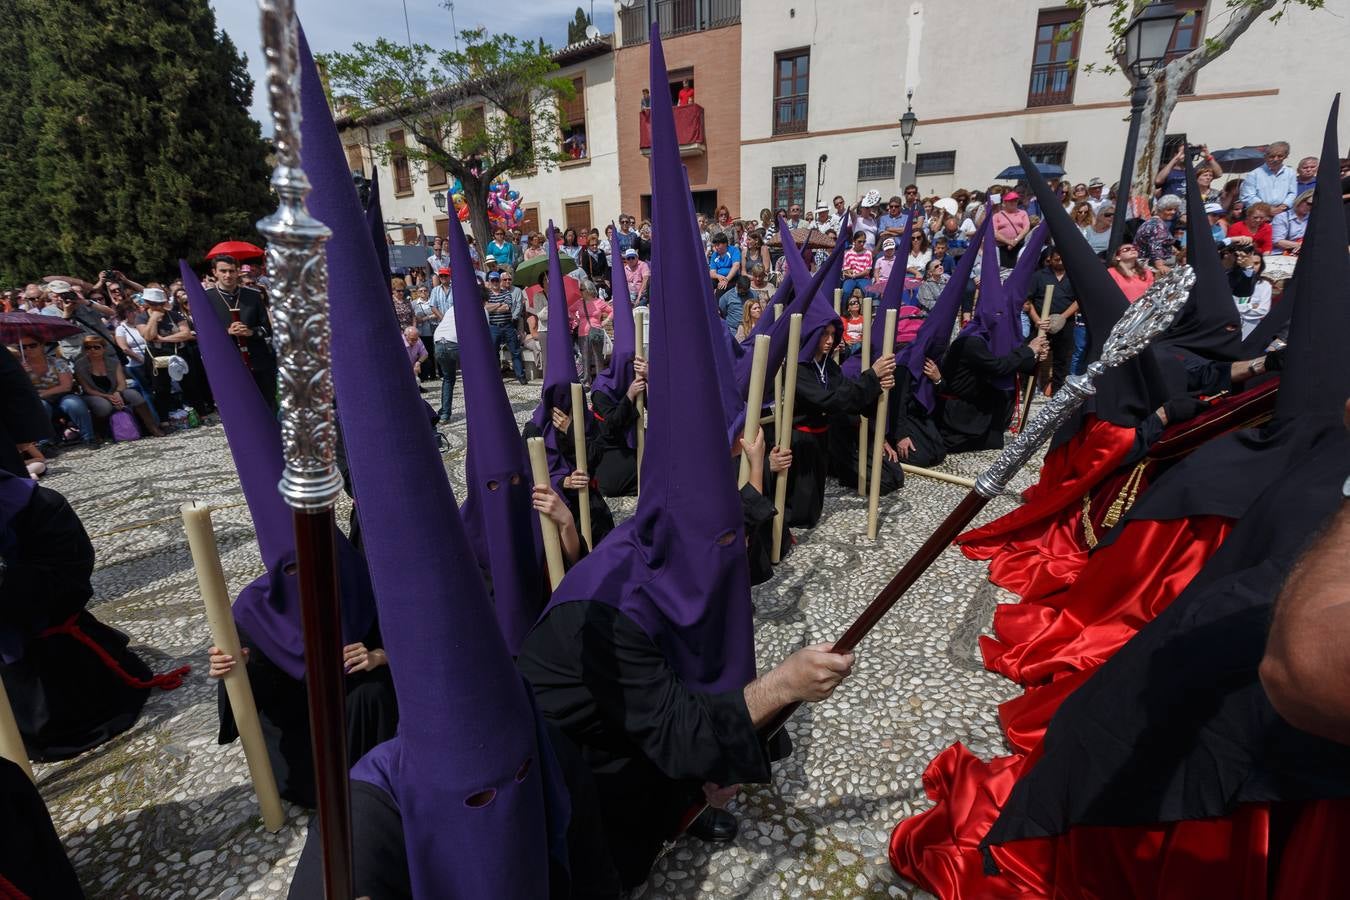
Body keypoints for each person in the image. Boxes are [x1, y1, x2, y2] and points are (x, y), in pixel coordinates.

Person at [202, 255, 277, 411]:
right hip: (228, 361)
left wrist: (250, 332)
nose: (228, 275)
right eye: (223, 271)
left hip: (258, 359)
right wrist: (227, 332)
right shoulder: (206, 299)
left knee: (267, 403)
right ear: (214, 272)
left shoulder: (253, 296)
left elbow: (266, 329)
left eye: (231, 271)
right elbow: (203, 334)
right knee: (240, 407)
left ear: (238, 272)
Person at [73, 336, 163, 437]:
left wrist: (117, 393)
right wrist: (107, 396)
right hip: (94, 394)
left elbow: (122, 383)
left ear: (104, 349)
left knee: (134, 395)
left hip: (115, 390)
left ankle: (152, 427)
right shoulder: (79, 365)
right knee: (104, 406)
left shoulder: (114, 362)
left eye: (96, 347)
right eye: (88, 347)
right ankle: (101, 432)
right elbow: (87, 389)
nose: (92, 350)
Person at [18, 338, 95, 445]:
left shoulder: (57, 362)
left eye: (32, 345)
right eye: (24, 347)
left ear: (42, 345)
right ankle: (45, 444)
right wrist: (21, 375)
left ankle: (89, 438)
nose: (28, 349)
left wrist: (41, 394)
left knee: (74, 404)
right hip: (39, 401)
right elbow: (19, 391)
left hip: (62, 396)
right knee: (41, 407)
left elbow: (66, 386)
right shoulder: (19, 368)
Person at [485, 270, 527, 384]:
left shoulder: (506, 293)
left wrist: (493, 307)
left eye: (497, 280)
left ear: (499, 281)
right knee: (494, 353)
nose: (495, 282)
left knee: (515, 351)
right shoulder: (487, 294)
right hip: (493, 327)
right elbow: (485, 308)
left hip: (507, 326)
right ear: (489, 282)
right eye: (492, 280)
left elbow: (507, 307)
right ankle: (497, 377)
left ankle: (521, 376)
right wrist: (499, 305)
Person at [1239, 140, 1296, 212]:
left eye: (1280, 156)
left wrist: (1283, 207)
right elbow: (1248, 196)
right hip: (1260, 213)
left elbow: (1292, 193)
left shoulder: (1290, 173)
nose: (1275, 159)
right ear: (1265, 156)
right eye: (1272, 156)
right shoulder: (1254, 174)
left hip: (1283, 212)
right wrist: (1268, 209)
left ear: (1286, 156)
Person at [1132, 193, 1182, 273]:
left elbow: (1161, 242)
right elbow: (1155, 246)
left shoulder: (1154, 221)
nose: (1173, 212)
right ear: (1160, 210)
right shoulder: (1157, 225)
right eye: (1169, 209)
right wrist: (1160, 266)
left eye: (1175, 209)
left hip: (1151, 259)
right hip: (1147, 262)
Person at [992, 191, 1031, 267]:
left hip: (1019, 245)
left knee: (1020, 267)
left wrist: (1015, 241)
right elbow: (994, 232)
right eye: (1011, 201)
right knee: (1005, 269)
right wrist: (1008, 242)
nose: (1013, 202)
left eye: (1015, 200)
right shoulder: (997, 215)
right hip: (1003, 247)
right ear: (1005, 202)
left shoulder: (1023, 213)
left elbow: (1026, 227)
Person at [1272, 189, 1313, 254]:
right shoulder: (1282, 217)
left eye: (1314, 205)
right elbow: (1277, 241)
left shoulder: (1313, 218)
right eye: (1309, 203)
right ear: (1301, 199)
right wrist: (1300, 245)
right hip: (1281, 253)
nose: (1310, 207)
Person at [840, 230, 873, 298]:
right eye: (860, 241)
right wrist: (854, 273)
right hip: (850, 279)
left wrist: (854, 274)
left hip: (864, 278)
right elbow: (846, 270)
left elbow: (867, 272)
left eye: (864, 242)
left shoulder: (868, 253)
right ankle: (844, 308)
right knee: (846, 291)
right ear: (854, 241)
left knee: (869, 292)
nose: (862, 244)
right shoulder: (848, 253)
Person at [840, 292, 865, 356]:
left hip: (860, 342)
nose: (856, 304)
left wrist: (860, 340)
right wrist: (847, 340)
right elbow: (842, 332)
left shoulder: (863, 318)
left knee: (858, 346)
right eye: (853, 303)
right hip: (848, 342)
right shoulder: (843, 318)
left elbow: (866, 333)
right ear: (848, 308)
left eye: (857, 302)